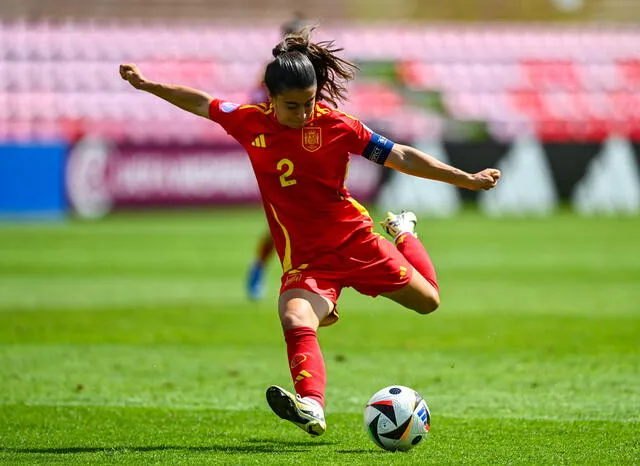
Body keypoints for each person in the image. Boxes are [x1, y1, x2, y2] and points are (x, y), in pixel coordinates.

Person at [119, 27, 500, 437]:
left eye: (310, 102)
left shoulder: (338, 126)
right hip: (307, 257)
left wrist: (465, 179)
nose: (303, 114)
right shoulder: (248, 122)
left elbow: (401, 155)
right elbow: (199, 101)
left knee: (429, 303)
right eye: (292, 106)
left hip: (356, 241)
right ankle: (312, 406)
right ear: (269, 94)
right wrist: (147, 84)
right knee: (294, 316)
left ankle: (404, 231)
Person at [246, 14, 308, 301]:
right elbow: (254, 107)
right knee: (282, 217)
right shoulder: (271, 74)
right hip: (279, 150)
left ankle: (310, 273)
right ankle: (262, 267)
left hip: (310, 149)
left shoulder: (312, 72)